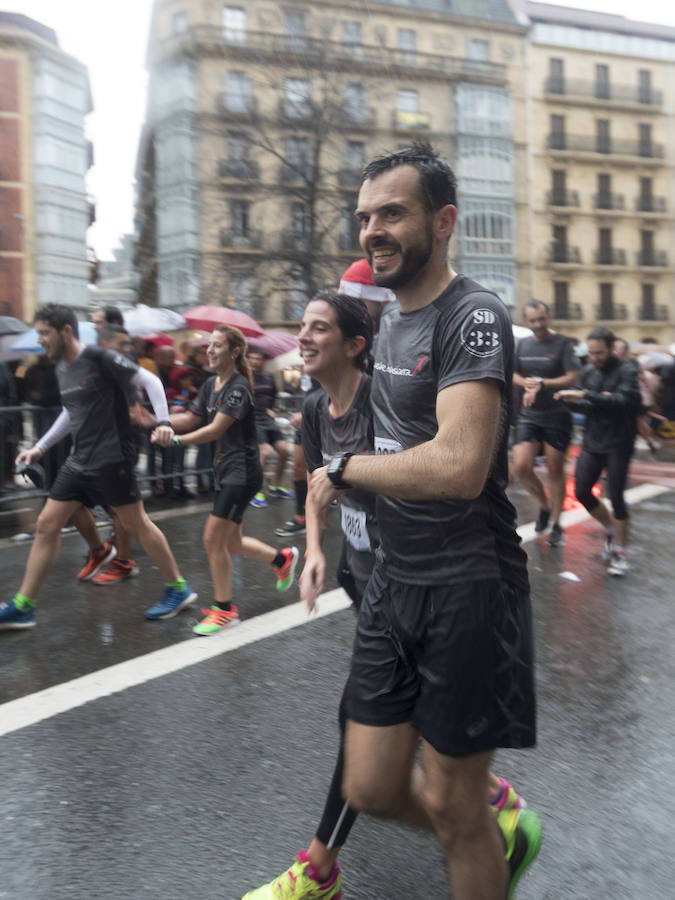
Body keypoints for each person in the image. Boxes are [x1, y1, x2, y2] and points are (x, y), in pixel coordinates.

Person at [305, 142, 539, 900]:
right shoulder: (392, 322)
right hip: (392, 585)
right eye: (365, 216)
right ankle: (477, 832)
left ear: (441, 223)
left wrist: (342, 471)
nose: (373, 229)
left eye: (392, 214)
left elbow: (459, 464)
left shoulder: (472, 316)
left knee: (451, 802)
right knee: (371, 787)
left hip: (467, 586)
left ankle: (478, 832)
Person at [242, 290, 531, 900]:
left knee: (372, 734)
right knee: (379, 773)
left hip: (429, 579)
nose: (304, 336)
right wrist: (315, 552)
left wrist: (357, 472)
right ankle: (482, 816)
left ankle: (322, 869)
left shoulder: (387, 399)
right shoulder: (316, 410)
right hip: (371, 584)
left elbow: (448, 464)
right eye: (303, 325)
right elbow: (317, 488)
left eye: (320, 327)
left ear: (355, 346)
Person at [0, 304, 197, 630]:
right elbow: (71, 410)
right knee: (48, 523)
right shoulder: (63, 366)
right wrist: (39, 447)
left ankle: (178, 587)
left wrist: (163, 422)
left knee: (137, 524)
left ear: (65, 332)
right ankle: (24, 605)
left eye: (45, 333)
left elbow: (150, 380)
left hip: (111, 459)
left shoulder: (100, 359)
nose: (41, 341)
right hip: (79, 460)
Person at [151, 325, 298, 636]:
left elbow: (214, 430)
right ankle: (280, 558)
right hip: (226, 471)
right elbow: (191, 419)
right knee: (230, 542)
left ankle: (224, 609)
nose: (210, 350)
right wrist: (158, 422)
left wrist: (176, 442)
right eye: (209, 345)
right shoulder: (210, 385)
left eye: (218, 345)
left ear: (234, 352)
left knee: (212, 540)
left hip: (241, 474)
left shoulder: (239, 388)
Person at [555, 327, 642, 576]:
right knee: (582, 492)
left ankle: (621, 554)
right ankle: (612, 530)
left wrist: (587, 395)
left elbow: (624, 401)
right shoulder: (590, 371)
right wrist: (566, 399)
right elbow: (587, 405)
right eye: (591, 353)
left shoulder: (628, 370)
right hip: (593, 441)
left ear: (612, 347)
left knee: (616, 497)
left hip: (619, 442)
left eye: (600, 353)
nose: (594, 358)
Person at [512, 300, 580, 546]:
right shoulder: (523, 344)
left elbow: (573, 377)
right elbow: (513, 373)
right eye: (533, 321)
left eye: (541, 319)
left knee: (555, 471)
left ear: (548, 317)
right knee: (521, 467)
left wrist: (543, 383)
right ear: (527, 321)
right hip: (529, 413)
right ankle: (543, 505)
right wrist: (527, 384)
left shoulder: (563, 344)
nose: (538, 325)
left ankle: (557, 523)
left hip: (557, 414)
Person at [247, 348, 293, 508]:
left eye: (257, 358)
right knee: (264, 452)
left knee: (285, 450)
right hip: (253, 421)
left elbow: (273, 396)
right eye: (251, 358)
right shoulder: (245, 377)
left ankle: (276, 485)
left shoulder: (269, 376)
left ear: (264, 361)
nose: (254, 361)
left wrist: (273, 409)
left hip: (267, 419)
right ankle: (256, 492)